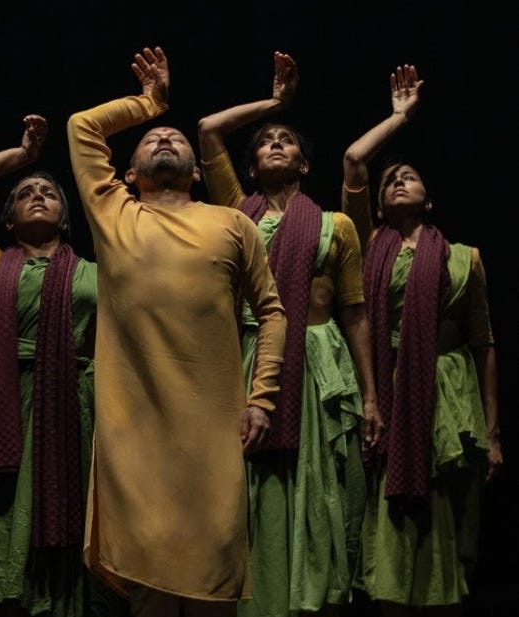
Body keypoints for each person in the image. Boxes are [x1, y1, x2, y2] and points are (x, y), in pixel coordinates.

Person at [66, 46, 287, 617]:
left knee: (213, 573)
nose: (164, 139)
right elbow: (82, 127)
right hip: (133, 426)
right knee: (149, 582)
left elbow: (272, 313)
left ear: (197, 171)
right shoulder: (113, 212)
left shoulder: (232, 222)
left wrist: (262, 399)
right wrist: (148, 103)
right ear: (130, 172)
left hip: (215, 425)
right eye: (150, 141)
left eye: (177, 140)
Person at [197, 51, 383, 616]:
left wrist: (372, 395)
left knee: (316, 484)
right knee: (248, 479)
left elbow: (355, 312)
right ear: (250, 167)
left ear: (304, 164)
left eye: (286, 138)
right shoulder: (234, 212)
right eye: (266, 140)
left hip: (318, 358)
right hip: (249, 355)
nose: (275, 142)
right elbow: (207, 130)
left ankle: (310, 595)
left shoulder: (336, 225)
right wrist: (275, 103)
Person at [0, 116, 126, 617]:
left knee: (83, 512)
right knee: (14, 515)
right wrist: (22, 156)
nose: (40, 194)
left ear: (67, 219)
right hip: (13, 405)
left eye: (49, 190)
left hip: (80, 404)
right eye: (27, 192)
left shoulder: (96, 269)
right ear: (8, 220)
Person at [342, 64, 503, 617]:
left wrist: (494, 430)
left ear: (429, 201)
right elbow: (355, 160)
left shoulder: (466, 258)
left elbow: (483, 344)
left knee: (447, 523)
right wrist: (399, 117)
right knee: (389, 521)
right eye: (391, 182)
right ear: (379, 205)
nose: (397, 181)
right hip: (388, 393)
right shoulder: (365, 244)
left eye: (408, 176)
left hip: (450, 397)